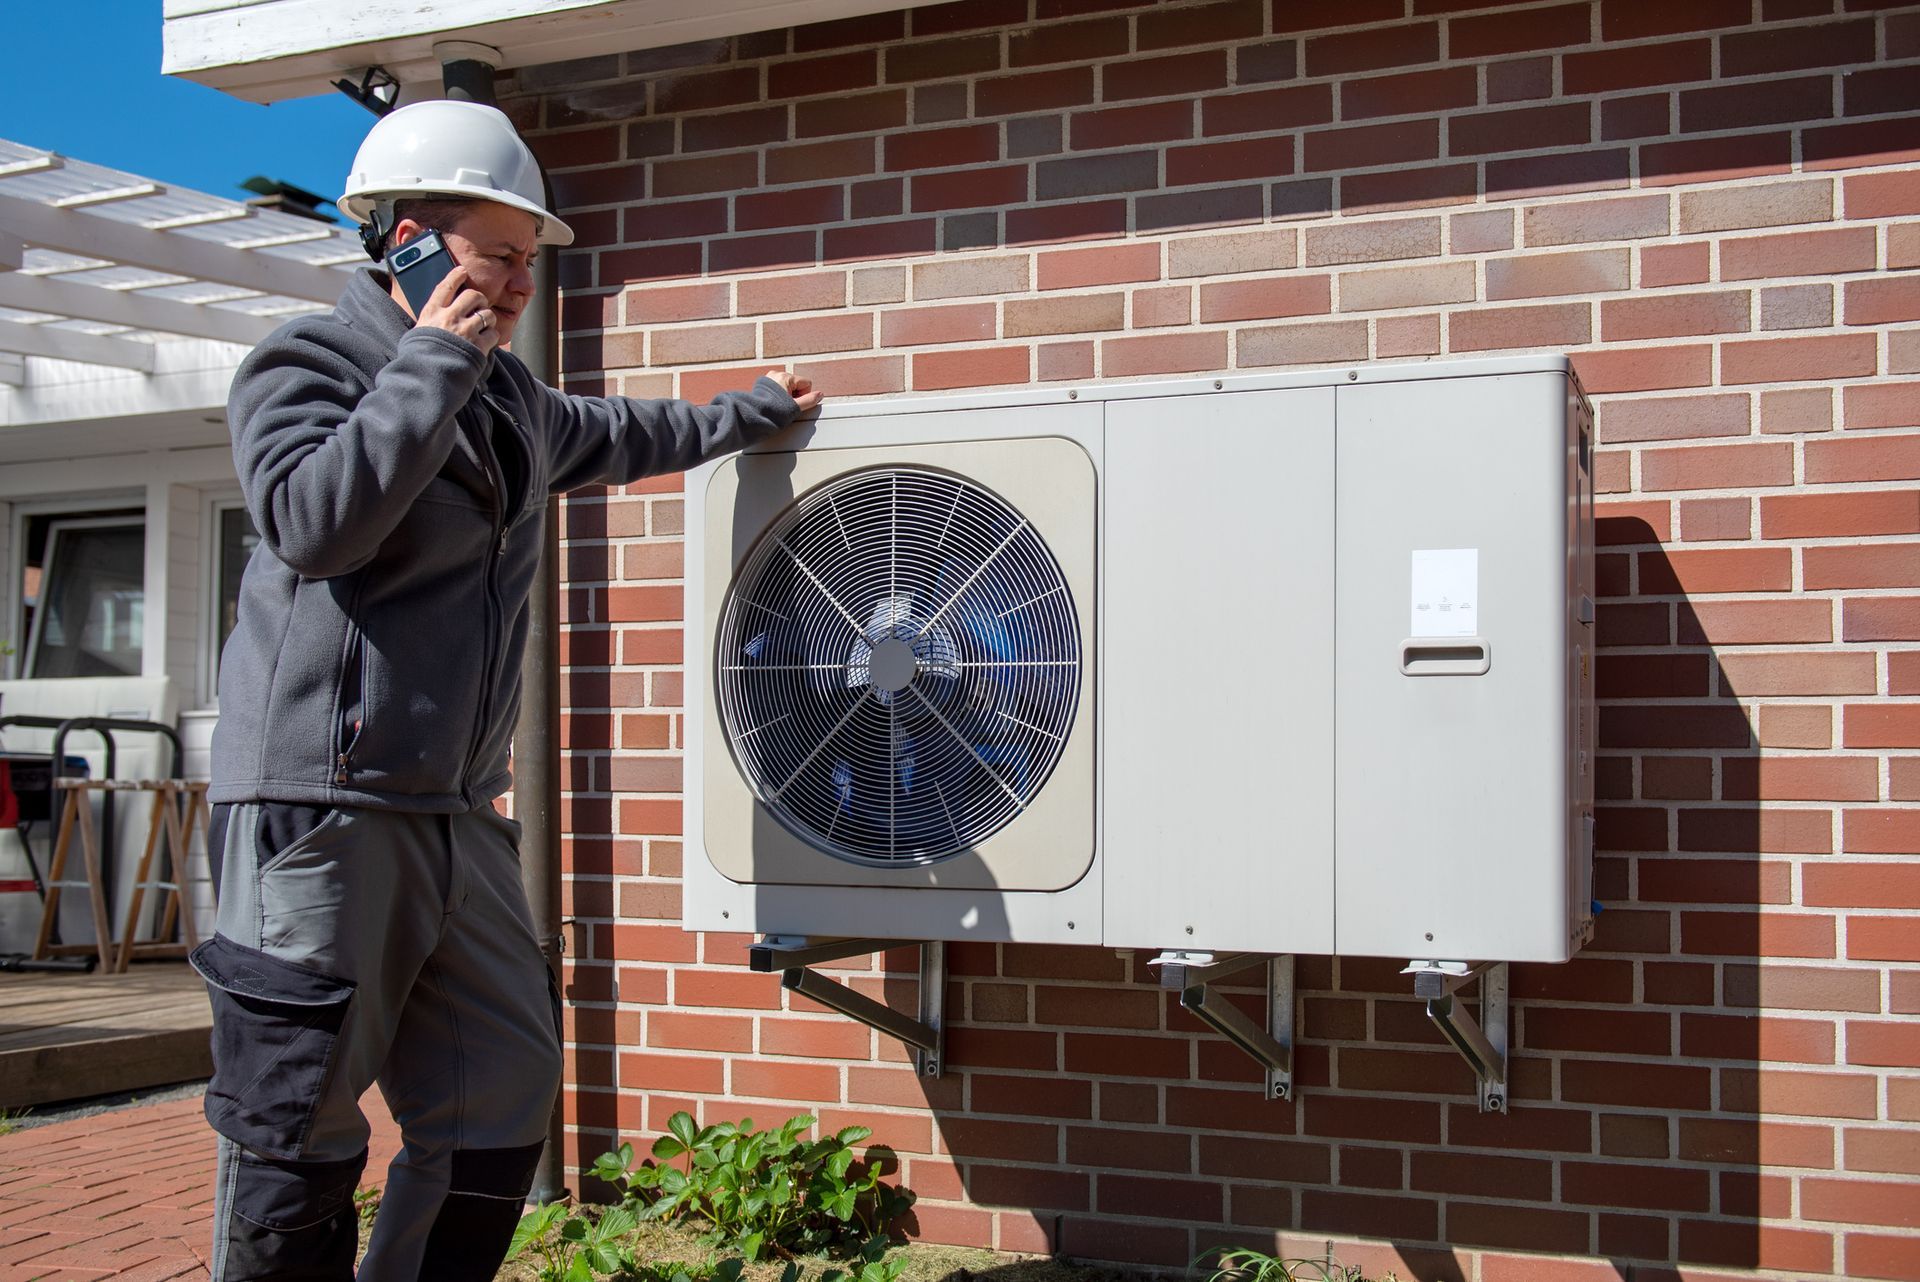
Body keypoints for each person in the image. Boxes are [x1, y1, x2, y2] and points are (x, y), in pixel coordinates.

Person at [192, 98, 821, 1282]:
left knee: (501, 1092)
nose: (523, 282)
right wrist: (431, 361)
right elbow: (313, 522)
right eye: (499, 255)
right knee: (295, 1120)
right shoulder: (306, 361)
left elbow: (626, 432)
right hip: (322, 806)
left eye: (531, 258)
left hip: (455, 814)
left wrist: (756, 413)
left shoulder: (509, 399)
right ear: (407, 243)